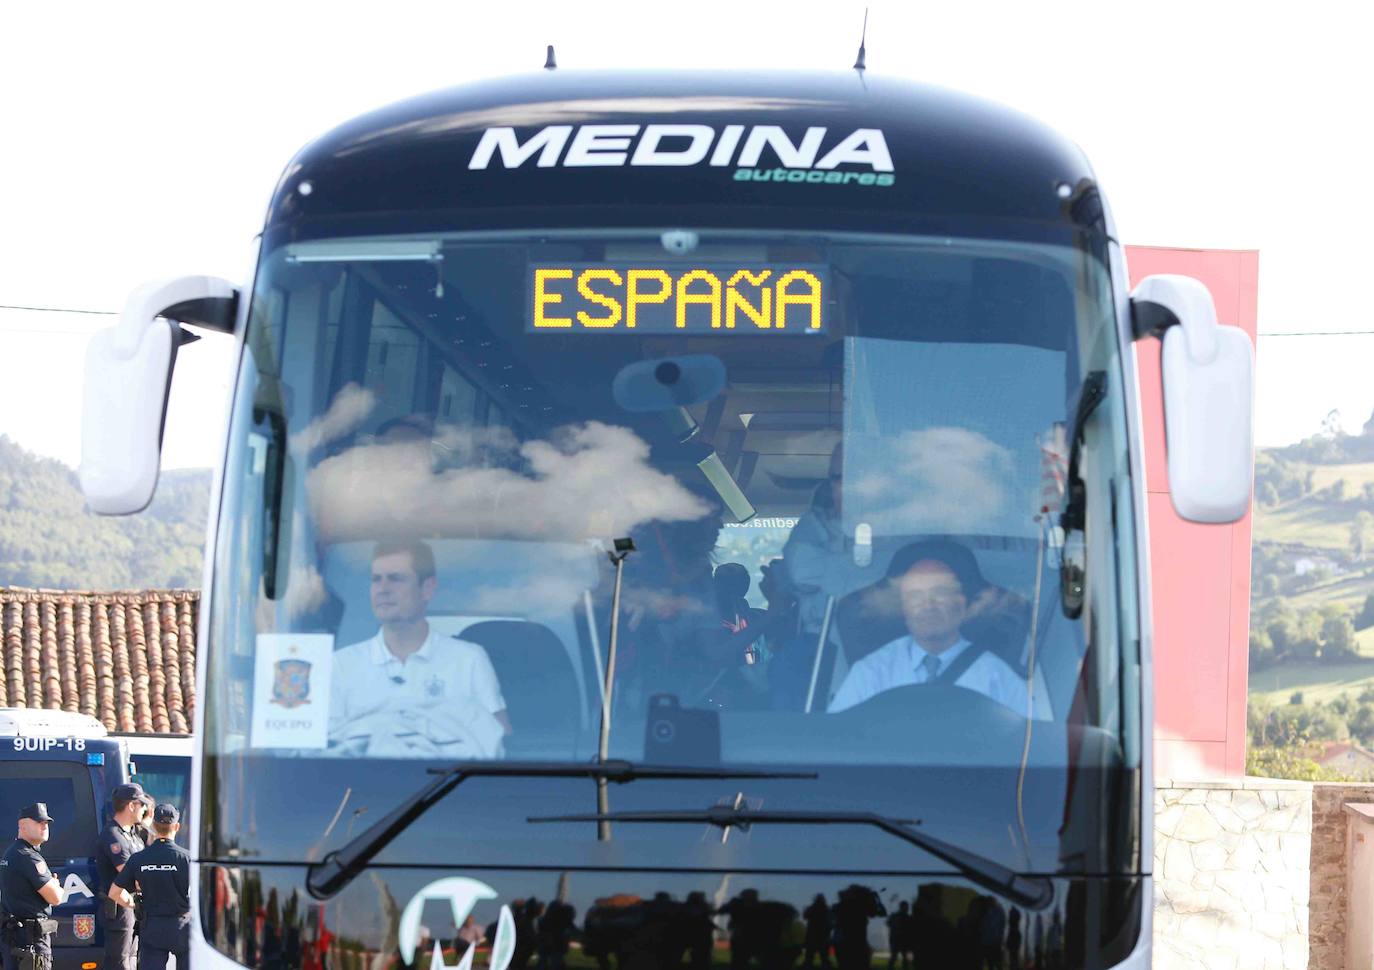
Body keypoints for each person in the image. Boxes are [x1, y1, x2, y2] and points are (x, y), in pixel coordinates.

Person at [828, 540, 1052, 719]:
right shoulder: (870, 673)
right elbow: (836, 744)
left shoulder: (996, 676)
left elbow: (1032, 752)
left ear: (962, 603)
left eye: (940, 593)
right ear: (903, 609)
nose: (928, 605)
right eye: (915, 596)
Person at [329, 539, 512, 758]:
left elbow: (500, 744)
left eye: (396, 579)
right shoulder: (339, 665)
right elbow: (327, 752)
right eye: (376, 580)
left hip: (451, 789)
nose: (383, 589)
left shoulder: (469, 659)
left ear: (427, 588)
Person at [781, 445, 886, 640]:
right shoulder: (813, 524)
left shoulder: (907, 529)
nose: (838, 488)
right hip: (825, 649)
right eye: (835, 479)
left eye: (850, 478)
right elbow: (802, 572)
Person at [108, 804, 190, 970]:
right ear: (177, 826)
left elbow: (114, 892)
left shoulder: (138, 859)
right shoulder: (187, 858)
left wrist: (134, 905)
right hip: (181, 927)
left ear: (153, 826)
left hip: (152, 926)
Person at [1, 804, 65, 970]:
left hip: (14, 937)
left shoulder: (11, 853)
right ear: (22, 825)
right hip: (31, 939)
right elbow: (55, 897)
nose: (44, 826)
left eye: (46, 823)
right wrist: (56, 885)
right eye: (39, 822)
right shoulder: (28, 857)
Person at [94, 782, 147, 970]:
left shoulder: (133, 835)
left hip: (133, 907)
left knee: (131, 960)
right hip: (120, 909)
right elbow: (130, 874)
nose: (145, 809)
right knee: (119, 963)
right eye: (142, 805)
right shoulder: (113, 836)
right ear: (131, 806)